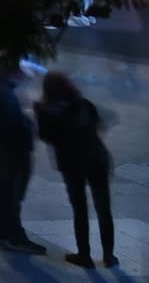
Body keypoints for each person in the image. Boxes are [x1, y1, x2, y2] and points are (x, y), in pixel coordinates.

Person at [38, 69, 114, 266]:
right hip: (96, 160)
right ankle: (109, 256)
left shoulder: (47, 110)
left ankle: (84, 255)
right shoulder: (84, 104)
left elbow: (45, 136)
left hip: (72, 165)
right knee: (103, 208)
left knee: (79, 209)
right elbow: (98, 126)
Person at [0, 58, 44, 254]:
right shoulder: (3, 93)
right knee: (11, 193)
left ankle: (5, 233)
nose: (26, 78)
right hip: (12, 151)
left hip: (5, 149)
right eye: (24, 74)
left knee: (6, 190)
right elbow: (11, 125)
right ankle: (13, 236)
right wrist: (31, 124)